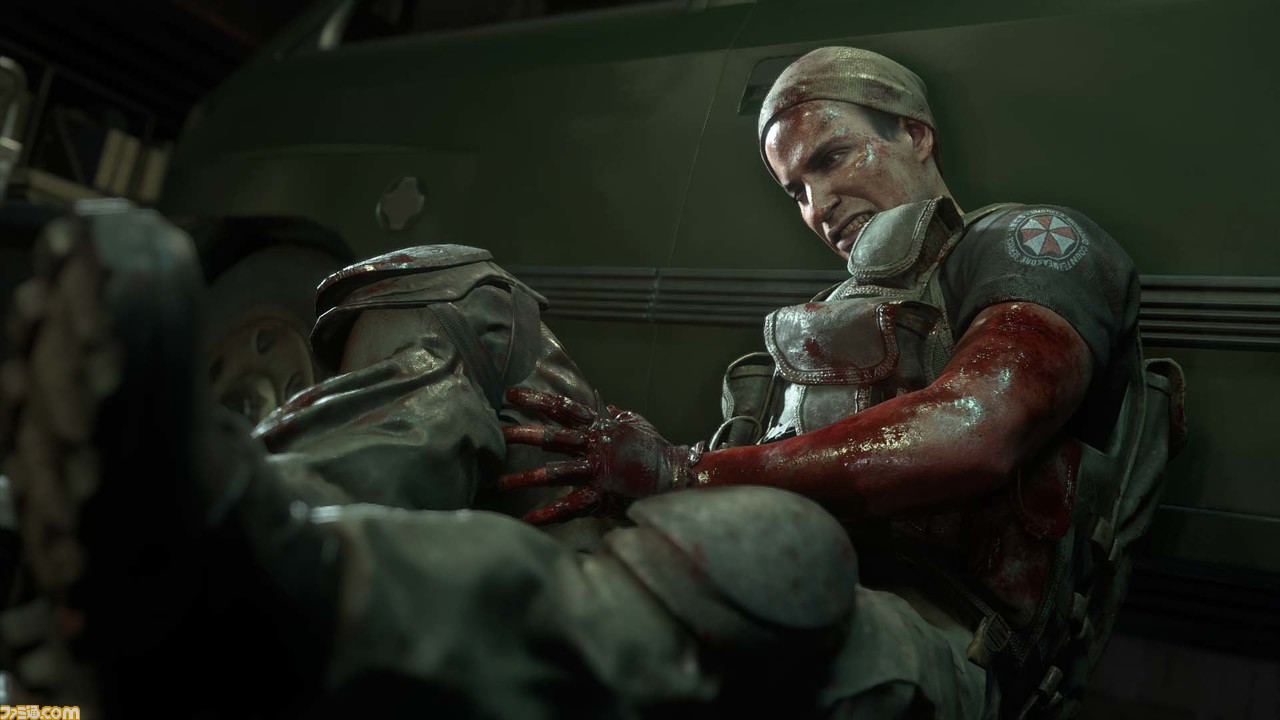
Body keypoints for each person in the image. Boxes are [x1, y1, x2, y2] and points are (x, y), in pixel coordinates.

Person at [0, 48, 1182, 719]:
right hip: (731, 542)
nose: (818, 201)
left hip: (932, 643)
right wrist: (635, 461)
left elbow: (979, 427)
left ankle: (260, 596)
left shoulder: (1025, 247)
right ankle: (248, 516)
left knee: (776, 544)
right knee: (455, 287)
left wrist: (685, 472)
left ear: (915, 136)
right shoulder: (820, 331)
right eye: (795, 187)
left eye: (831, 157)